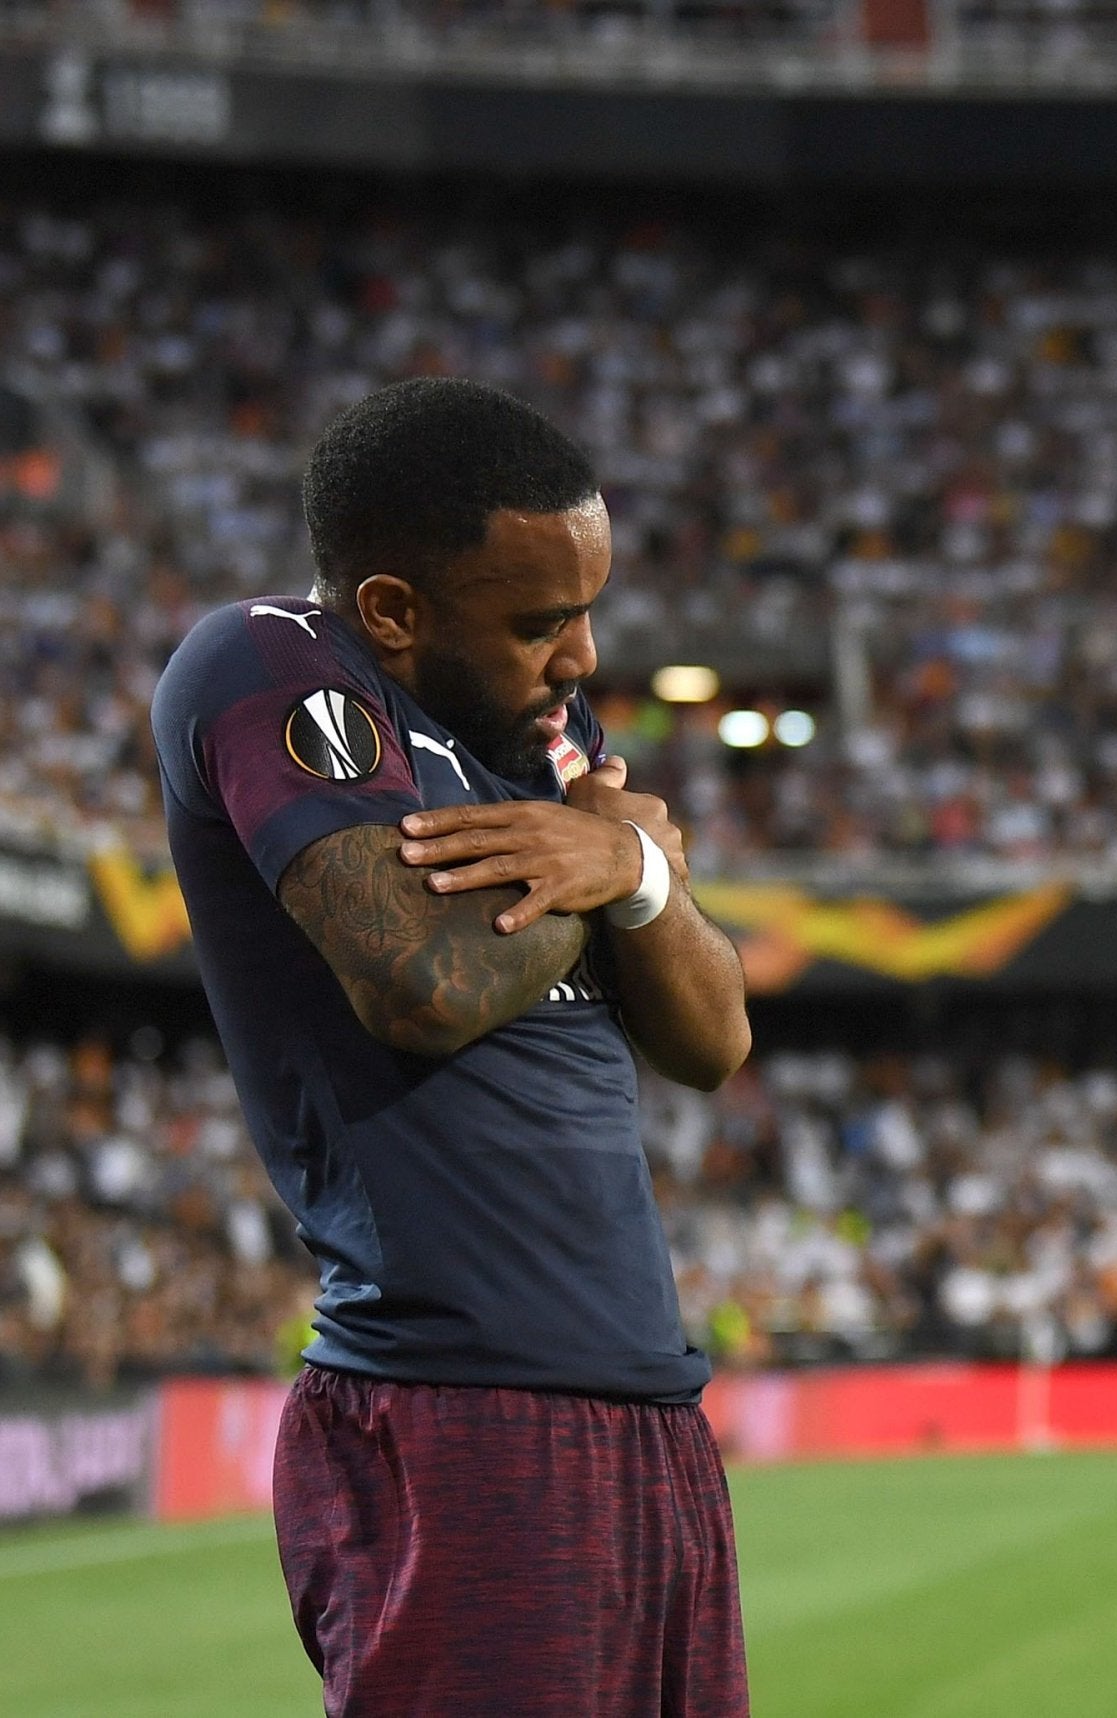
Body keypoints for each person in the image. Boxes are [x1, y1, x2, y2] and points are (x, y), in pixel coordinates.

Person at [151, 377, 754, 1716]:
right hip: (456, 1415)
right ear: (394, 610)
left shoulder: (546, 739)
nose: (583, 655)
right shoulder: (263, 665)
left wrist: (637, 879)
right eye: (542, 620)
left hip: (648, 1414)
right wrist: (613, 859)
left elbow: (714, 1036)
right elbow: (420, 976)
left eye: (589, 608)